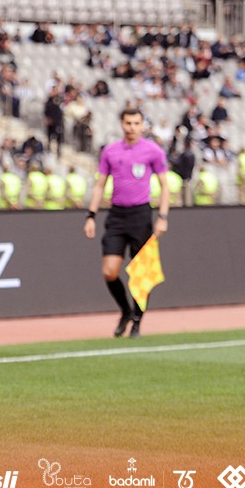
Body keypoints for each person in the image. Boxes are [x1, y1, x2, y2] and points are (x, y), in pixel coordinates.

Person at [83, 108, 169, 338]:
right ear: (122, 124)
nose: (132, 127)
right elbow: (100, 185)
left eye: (136, 123)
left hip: (141, 215)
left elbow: (165, 185)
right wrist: (91, 215)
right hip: (117, 215)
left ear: (143, 125)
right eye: (128, 123)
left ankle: (138, 321)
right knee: (109, 271)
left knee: (141, 273)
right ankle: (125, 310)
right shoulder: (110, 151)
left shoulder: (153, 151)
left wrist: (162, 217)